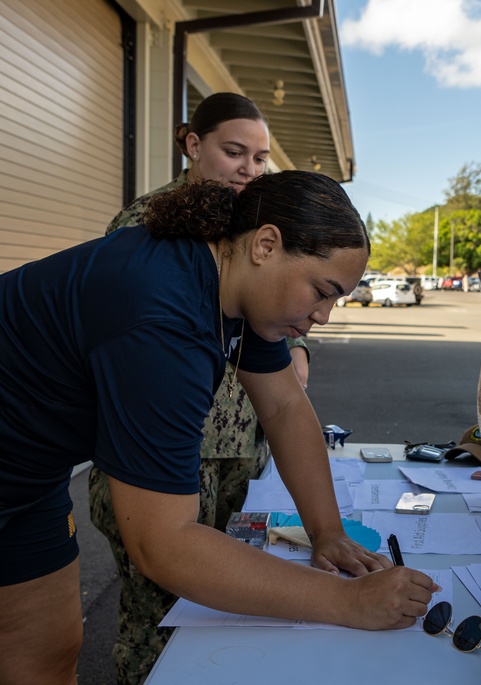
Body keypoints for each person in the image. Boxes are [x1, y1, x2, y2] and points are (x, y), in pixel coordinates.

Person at [0, 171, 439, 684]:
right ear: (266, 245)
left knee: (47, 654)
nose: (323, 316)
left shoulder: (233, 288)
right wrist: (346, 600)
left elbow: (284, 408)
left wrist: (329, 532)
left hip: (29, 481)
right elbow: (163, 543)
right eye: (322, 291)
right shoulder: (162, 317)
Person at [86, 92, 312, 684]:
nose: (249, 168)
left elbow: (272, 319)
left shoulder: (253, 225)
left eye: (260, 158)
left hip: (240, 440)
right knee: (160, 614)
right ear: (193, 145)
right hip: (168, 450)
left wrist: (298, 345)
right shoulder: (147, 225)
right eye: (234, 152)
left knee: (230, 603)